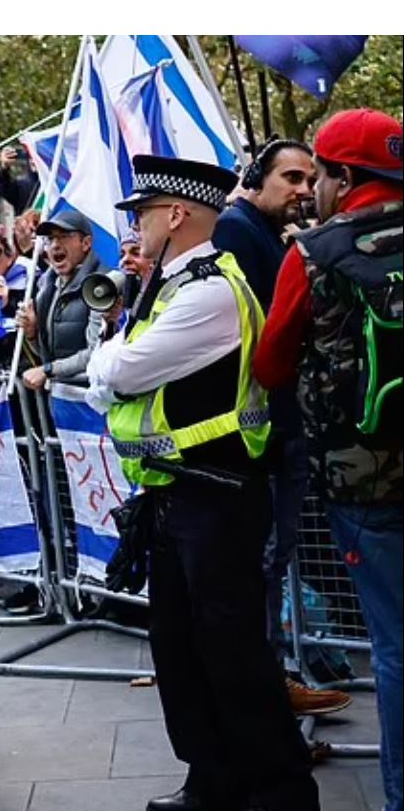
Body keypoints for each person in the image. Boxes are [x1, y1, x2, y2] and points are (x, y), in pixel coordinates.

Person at [87, 155, 318, 811]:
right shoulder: (169, 286)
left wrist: (107, 361)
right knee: (181, 650)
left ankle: (280, 793)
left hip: (217, 497)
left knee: (233, 656)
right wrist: (113, 359)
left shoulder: (212, 291)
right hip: (175, 495)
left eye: (144, 214)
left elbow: (123, 372)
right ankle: (212, 780)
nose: (137, 228)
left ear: (177, 214)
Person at [253, 108, 403, 811]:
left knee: (396, 643)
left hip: (364, 477)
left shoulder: (313, 252)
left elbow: (272, 361)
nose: (311, 187)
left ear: (345, 179)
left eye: (319, 175)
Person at [212, 139, 352, 715]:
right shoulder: (239, 231)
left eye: (309, 179)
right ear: (255, 177)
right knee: (266, 565)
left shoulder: (266, 232)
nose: (302, 190)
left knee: (275, 562)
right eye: (291, 177)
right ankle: (267, 697)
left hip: (285, 428)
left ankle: (271, 686)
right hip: (267, 433)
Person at [17, 208, 104, 392]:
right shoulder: (47, 287)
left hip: (94, 402)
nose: (55, 245)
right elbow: (48, 355)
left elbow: (97, 352)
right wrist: (32, 333)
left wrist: (48, 370)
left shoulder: (101, 286)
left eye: (64, 236)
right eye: (49, 239)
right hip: (60, 402)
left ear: (86, 243)